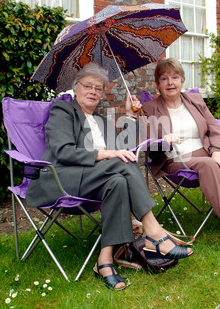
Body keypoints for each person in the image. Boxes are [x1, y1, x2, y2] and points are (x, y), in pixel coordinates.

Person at [26, 63, 193, 291]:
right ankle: (154, 231)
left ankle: (104, 261)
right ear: (76, 89)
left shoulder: (101, 121)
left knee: (118, 180)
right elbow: (63, 151)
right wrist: (108, 153)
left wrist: (129, 115)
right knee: (120, 162)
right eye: (88, 86)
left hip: (94, 181)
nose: (93, 91)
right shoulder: (62, 111)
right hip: (60, 179)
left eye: (98, 88)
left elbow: (124, 147)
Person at [141, 57, 220, 250]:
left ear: (182, 80)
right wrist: (163, 142)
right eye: (164, 79)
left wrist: (216, 151)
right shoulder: (149, 109)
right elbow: (150, 149)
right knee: (208, 165)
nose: (170, 83)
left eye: (175, 77)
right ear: (157, 84)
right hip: (176, 159)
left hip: (206, 151)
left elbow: (214, 128)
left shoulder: (195, 101)